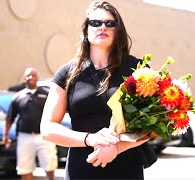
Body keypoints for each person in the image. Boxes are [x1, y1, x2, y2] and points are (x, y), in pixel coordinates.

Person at [40, 1, 157, 179]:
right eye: (95, 23)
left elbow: (154, 123)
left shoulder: (137, 69)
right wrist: (90, 139)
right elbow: (47, 128)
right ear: (86, 30)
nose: (103, 27)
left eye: (110, 23)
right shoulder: (67, 73)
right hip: (81, 168)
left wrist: (117, 148)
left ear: (118, 31)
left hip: (126, 168)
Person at [3, 67, 58, 180]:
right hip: (25, 136)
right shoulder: (17, 97)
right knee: (25, 167)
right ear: (24, 78)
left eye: (33, 75)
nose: (30, 77)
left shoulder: (47, 94)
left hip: (44, 136)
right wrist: (6, 135)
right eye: (28, 75)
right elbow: (10, 118)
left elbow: (55, 113)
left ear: (37, 78)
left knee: (49, 164)